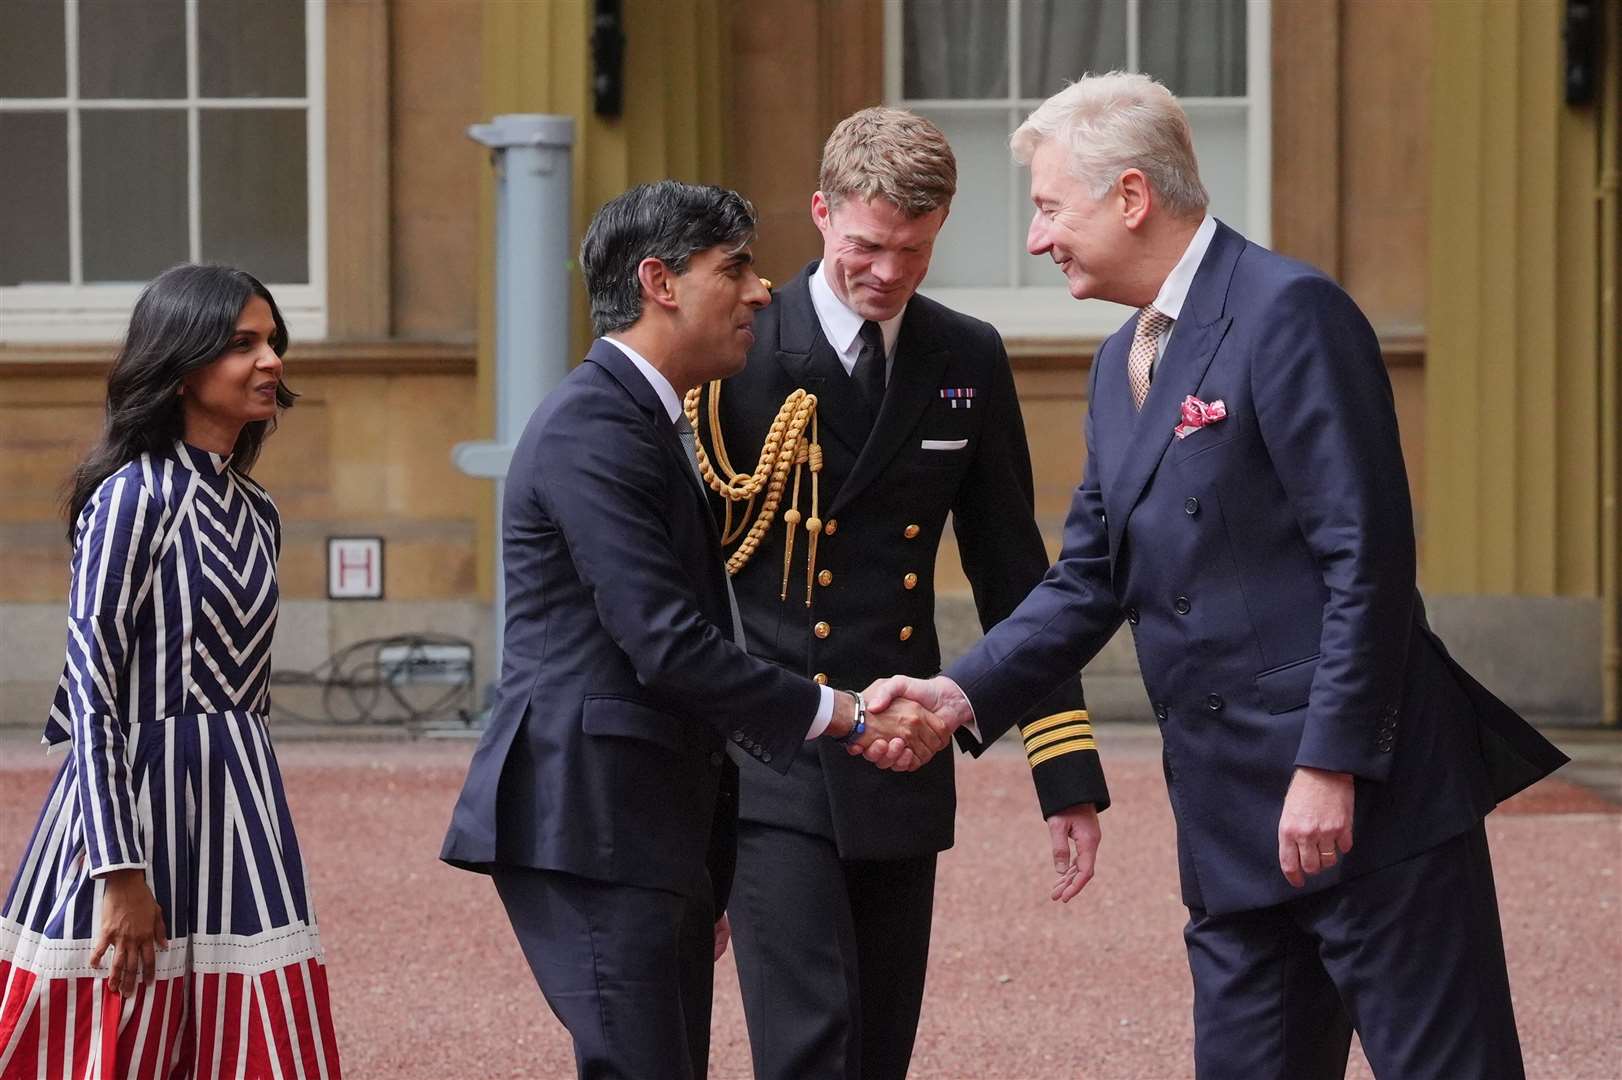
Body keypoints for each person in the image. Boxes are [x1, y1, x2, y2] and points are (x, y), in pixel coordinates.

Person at [869, 73, 1569, 1080]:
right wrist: (955, 693)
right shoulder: (1117, 366)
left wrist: (1329, 767)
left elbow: (1363, 559)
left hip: (1364, 807)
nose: (1035, 239)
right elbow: (1087, 577)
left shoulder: (1290, 312)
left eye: (1047, 206)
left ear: (1129, 197)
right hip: (1229, 827)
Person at [438, 180, 948, 1080]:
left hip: (641, 830)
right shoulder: (595, 426)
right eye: (735, 267)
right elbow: (668, 644)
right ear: (659, 283)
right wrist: (849, 717)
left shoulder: (640, 418)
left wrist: (699, 868)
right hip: (591, 821)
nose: (759, 291)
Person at [685, 107, 1110, 1080]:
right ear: (821, 213)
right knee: (809, 1051)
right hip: (771, 752)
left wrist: (1064, 775)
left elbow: (1013, 572)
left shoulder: (964, 357)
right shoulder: (737, 350)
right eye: (867, 247)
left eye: (913, 251)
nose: (887, 273)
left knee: (876, 1054)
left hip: (899, 751)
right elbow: (687, 585)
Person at [0, 265, 343, 1077]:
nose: (271, 361)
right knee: (106, 1034)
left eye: (272, 342)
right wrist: (117, 870)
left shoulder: (258, 512)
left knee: (249, 1037)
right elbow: (88, 684)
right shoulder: (131, 498)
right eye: (242, 345)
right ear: (183, 364)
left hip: (242, 802)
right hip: (134, 808)